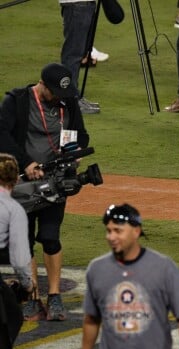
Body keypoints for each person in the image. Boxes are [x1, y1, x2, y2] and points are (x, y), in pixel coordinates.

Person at [0, 62, 90, 321]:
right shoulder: (17, 101)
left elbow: (80, 135)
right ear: (43, 86)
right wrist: (25, 163)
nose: (61, 99)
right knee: (25, 242)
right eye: (56, 94)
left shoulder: (67, 102)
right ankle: (31, 297)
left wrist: (73, 153)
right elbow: (2, 134)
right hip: (22, 185)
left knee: (50, 237)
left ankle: (54, 296)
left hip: (55, 181)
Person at [79, 204, 179, 349]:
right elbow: (91, 320)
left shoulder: (162, 267)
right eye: (109, 231)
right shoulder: (97, 269)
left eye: (118, 231)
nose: (111, 237)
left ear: (136, 231)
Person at [0, 153, 35, 349]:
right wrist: (28, 286)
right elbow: (21, 260)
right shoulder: (13, 210)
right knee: (12, 315)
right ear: (16, 180)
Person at [59, 0, 100, 114]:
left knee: (79, 52)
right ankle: (70, 100)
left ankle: (75, 96)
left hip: (83, 4)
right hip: (77, 5)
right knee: (73, 54)